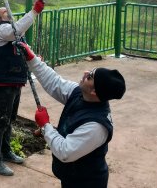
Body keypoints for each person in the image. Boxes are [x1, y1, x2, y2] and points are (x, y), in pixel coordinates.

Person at [18, 41, 125, 187]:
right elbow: (54, 82)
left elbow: (65, 151)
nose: (85, 73)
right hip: (71, 176)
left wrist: (46, 126)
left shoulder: (96, 126)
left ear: (94, 91)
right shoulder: (79, 93)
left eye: (90, 77)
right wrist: (32, 59)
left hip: (86, 183)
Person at [0, 0, 45, 176]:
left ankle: (5, 151)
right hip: (2, 83)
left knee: (9, 119)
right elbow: (17, 29)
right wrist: (34, 12)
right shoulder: (3, 30)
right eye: (5, 12)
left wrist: (34, 58)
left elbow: (23, 50)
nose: (9, 13)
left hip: (14, 81)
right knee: (1, 120)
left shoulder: (14, 33)